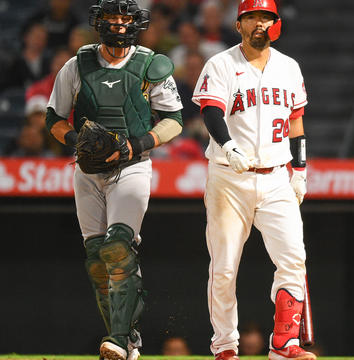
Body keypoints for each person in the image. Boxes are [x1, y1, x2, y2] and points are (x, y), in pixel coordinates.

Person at [44, 1, 183, 359]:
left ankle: (119, 340)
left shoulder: (151, 63)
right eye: (112, 19)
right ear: (99, 22)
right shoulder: (77, 64)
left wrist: (133, 144)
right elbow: (54, 118)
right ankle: (127, 338)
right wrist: (78, 142)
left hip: (133, 165)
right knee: (96, 260)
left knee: (118, 248)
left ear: (136, 24)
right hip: (87, 169)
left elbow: (173, 119)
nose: (119, 25)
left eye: (125, 19)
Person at [191, 1, 313, 360]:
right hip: (230, 177)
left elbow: (296, 123)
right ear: (239, 23)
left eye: (267, 18)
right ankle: (226, 346)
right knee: (225, 267)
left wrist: (301, 170)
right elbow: (211, 110)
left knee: (293, 258)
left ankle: (284, 343)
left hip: (277, 177)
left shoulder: (289, 67)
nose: (260, 24)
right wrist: (227, 146)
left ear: (275, 24)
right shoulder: (222, 63)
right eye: (253, 17)